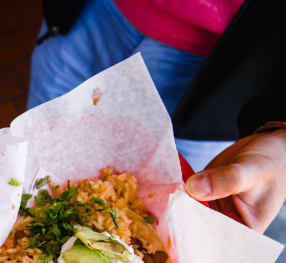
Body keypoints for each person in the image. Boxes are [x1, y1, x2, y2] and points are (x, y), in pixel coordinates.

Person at [28, 0, 285, 233]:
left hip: (230, 65)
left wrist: (281, 129)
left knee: (169, 219)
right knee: (32, 161)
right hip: (95, 13)